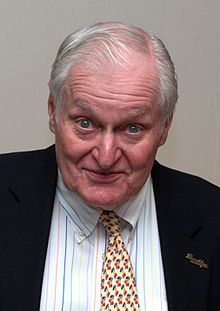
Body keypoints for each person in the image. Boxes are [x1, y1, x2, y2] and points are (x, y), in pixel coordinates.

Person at [0, 22, 219, 311]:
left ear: (165, 127)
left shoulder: (212, 217)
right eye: (85, 124)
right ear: (53, 112)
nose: (105, 157)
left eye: (132, 128)